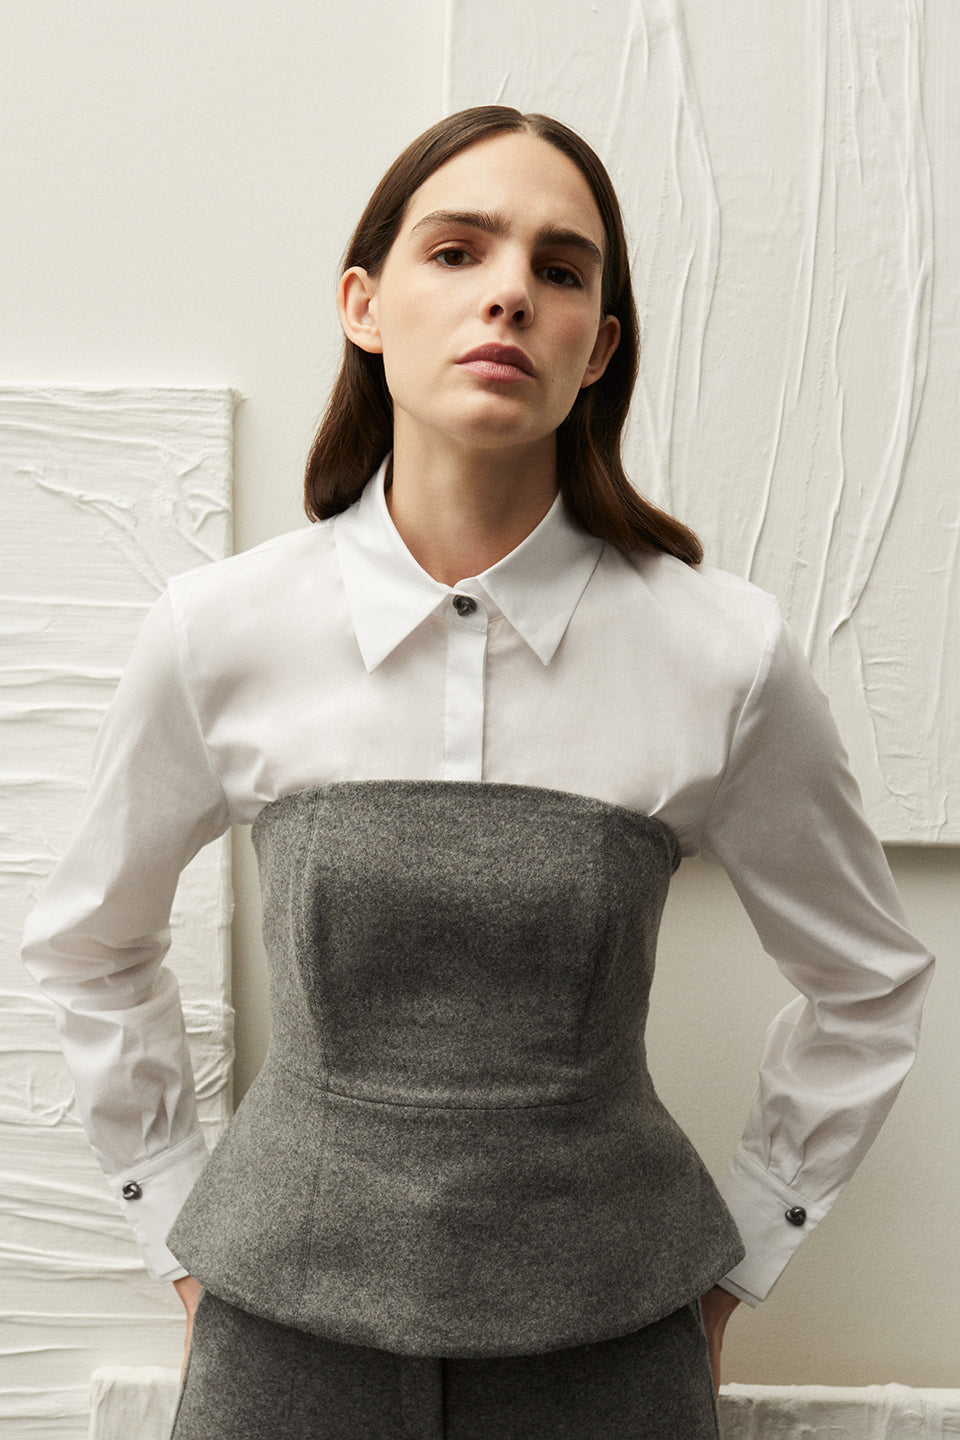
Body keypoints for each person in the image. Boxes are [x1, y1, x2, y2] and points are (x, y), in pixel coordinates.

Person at [22, 106, 933, 1439]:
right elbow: (90, 946)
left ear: (597, 346)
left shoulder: (721, 652)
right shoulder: (220, 630)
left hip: (612, 1352)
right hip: (278, 1348)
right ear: (364, 304)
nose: (509, 292)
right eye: (457, 251)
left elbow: (869, 982)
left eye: (560, 270)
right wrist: (171, 1226)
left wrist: (741, 1258)